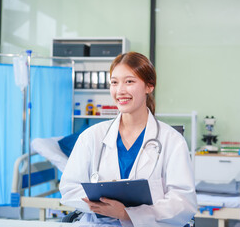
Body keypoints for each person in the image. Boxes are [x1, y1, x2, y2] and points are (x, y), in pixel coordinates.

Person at [59, 52, 197, 226]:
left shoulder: (172, 141)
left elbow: (183, 203)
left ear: (149, 86)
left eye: (129, 81)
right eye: (114, 82)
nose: (120, 91)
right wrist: (102, 205)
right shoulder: (91, 136)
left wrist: (126, 213)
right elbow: (69, 188)